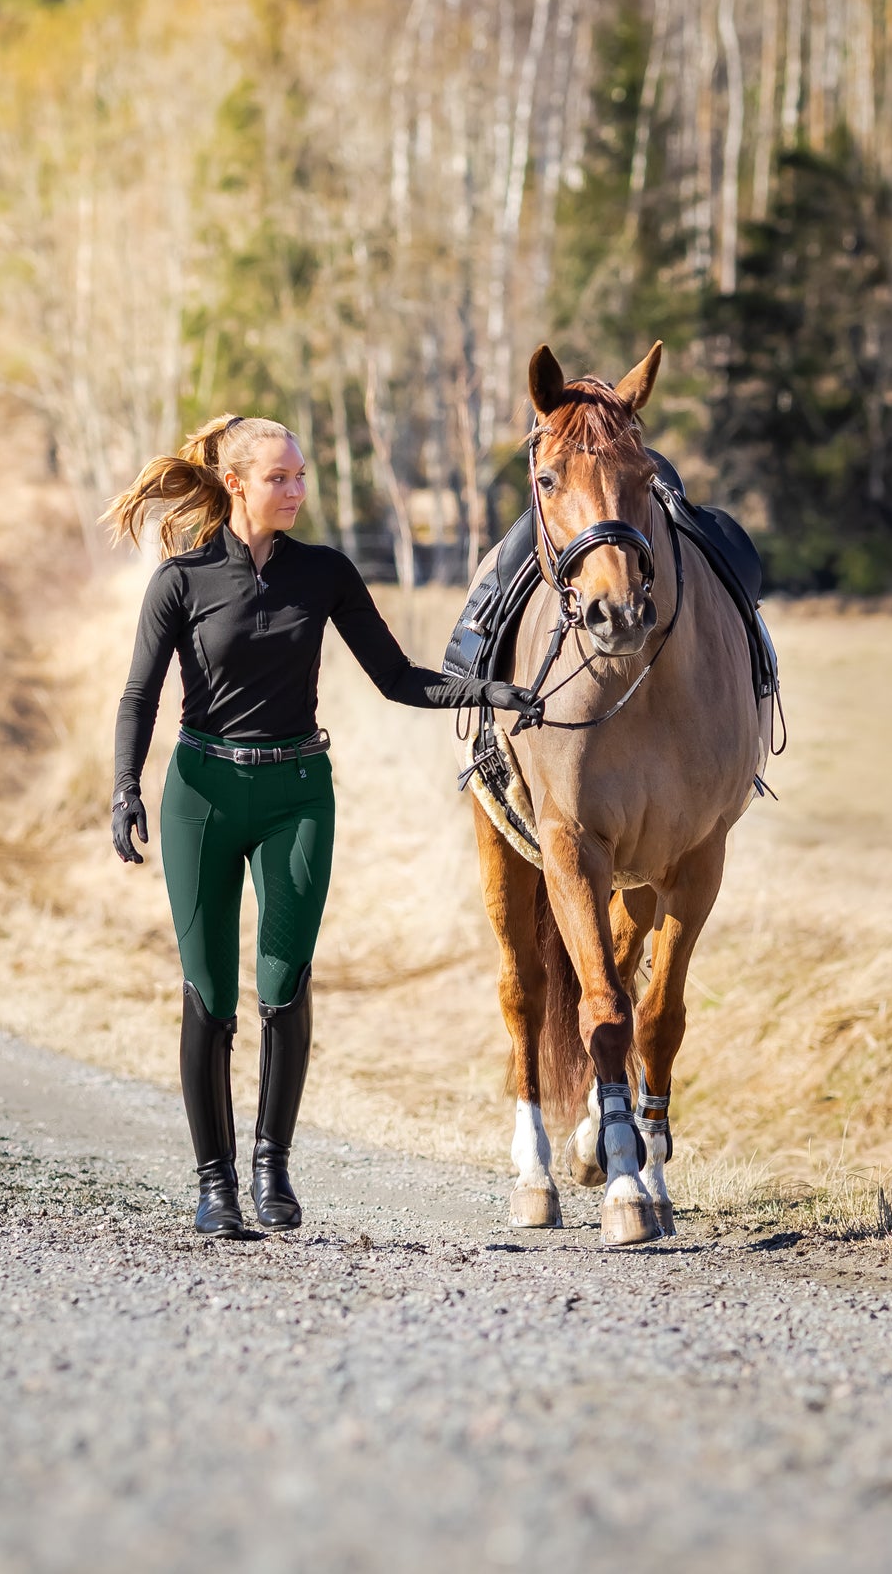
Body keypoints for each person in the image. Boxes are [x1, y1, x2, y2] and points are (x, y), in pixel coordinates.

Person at [105, 413, 540, 1239]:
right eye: (281, 478)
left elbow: (398, 678)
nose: (298, 490)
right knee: (209, 991)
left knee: (283, 982)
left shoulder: (324, 573)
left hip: (297, 792)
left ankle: (272, 1166)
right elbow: (138, 695)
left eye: (302, 475)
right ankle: (214, 1185)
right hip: (200, 792)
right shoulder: (181, 581)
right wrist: (126, 787)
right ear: (235, 483)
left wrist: (490, 692)